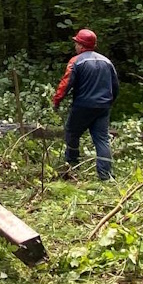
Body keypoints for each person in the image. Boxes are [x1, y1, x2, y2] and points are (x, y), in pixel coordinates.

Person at [53, 29, 119, 181]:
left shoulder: (76, 61)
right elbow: (115, 86)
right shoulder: (106, 61)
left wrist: (57, 100)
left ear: (82, 45)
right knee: (102, 139)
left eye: (76, 43)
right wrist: (109, 102)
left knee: (72, 132)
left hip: (83, 106)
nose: (75, 45)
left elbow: (65, 84)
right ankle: (106, 176)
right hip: (103, 106)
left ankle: (72, 165)